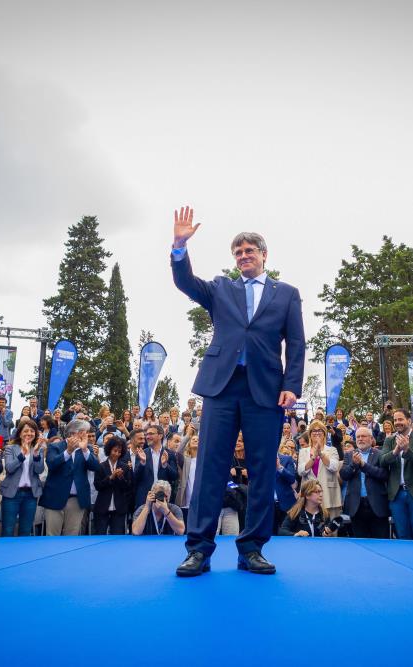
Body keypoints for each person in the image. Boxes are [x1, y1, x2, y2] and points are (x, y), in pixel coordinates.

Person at [170, 207, 305, 577]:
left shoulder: (288, 294)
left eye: (249, 251)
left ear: (264, 255)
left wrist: (292, 386)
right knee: (211, 468)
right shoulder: (221, 288)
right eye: (238, 252)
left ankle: (252, 549)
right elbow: (186, 283)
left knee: (262, 471)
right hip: (221, 387)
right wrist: (179, 246)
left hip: (266, 391)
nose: (243, 256)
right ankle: (198, 549)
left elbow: (296, 343)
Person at [379, 409, 413, 540]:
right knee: (402, 535)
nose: (397, 422)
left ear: (409, 421)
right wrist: (396, 450)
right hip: (397, 495)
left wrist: (407, 450)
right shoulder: (389, 440)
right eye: (395, 420)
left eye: (400, 419)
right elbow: (382, 461)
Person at [41, 419, 100, 536]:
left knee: (72, 536)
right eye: (84, 432)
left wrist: (84, 450)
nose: (86, 435)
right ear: (73, 432)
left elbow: (95, 467)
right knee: (52, 535)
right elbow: (52, 464)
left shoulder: (87, 448)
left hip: (76, 500)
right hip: (55, 498)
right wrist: (68, 451)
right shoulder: (55, 446)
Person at [340, 426, 390, 538]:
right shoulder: (349, 455)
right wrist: (354, 464)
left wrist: (363, 465)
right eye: (358, 437)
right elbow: (344, 475)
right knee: (361, 542)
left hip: (377, 505)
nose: (360, 439)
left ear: (371, 439)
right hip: (356, 506)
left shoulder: (380, 454)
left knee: (381, 541)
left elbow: (384, 474)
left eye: (363, 436)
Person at [0, 420, 45, 537]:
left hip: (30, 494)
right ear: (20, 433)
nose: (29, 433)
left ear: (35, 433)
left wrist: (35, 455)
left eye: (32, 431)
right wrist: (22, 454)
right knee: (8, 529)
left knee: (25, 530)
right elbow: (9, 468)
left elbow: (39, 470)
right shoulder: (11, 448)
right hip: (12, 494)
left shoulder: (38, 449)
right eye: (25, 431)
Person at [297, 420, 343, 519]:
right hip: (309, 497)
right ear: (310, 434)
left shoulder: (332, 450)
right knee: (310, 529)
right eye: (314, 430)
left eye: (320, 430)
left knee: (330, 530)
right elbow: (301, 471)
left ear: (324, 434)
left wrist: (321, 453)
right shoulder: (303, 451)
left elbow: (334, 467)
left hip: (329, 496)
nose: (317, 432)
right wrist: (313, 457)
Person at [93, 436, 134, 535]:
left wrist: (121, 478)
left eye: (119, 452)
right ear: (109, 449)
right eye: (115, 451)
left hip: (119, 508)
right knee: (100, 535)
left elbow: (128, 486)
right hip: (102, 507)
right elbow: (98, 485)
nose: (117, 454)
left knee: (117, 536)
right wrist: (111, 477)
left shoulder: (125, 467)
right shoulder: (101, 466)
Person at [133, 424, 179, 510]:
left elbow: (175, 476)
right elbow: (135, 477)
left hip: (163, 499)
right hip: (144, 499)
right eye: (146, 434)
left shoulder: (170, 454)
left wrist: (165, 465)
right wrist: (142, 463)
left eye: (151, 434)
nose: (147, 437)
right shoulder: (142, 453)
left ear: (160, 435)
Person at [273, 439, 297, 531]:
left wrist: (279, 467)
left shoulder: (286, 459)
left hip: (286, 505)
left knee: (287, 534)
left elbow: (292, 479)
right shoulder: (260, 460)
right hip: (267, 506)